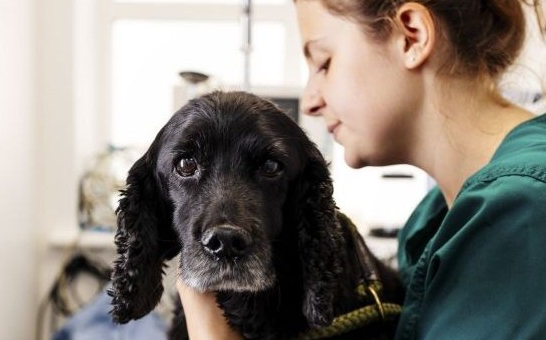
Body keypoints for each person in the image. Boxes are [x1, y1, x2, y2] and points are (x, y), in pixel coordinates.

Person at [176, 0, 546, 339]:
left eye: (323, 63)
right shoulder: (437, 216)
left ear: (411, 36)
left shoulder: (522, 212)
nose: (310, 101)